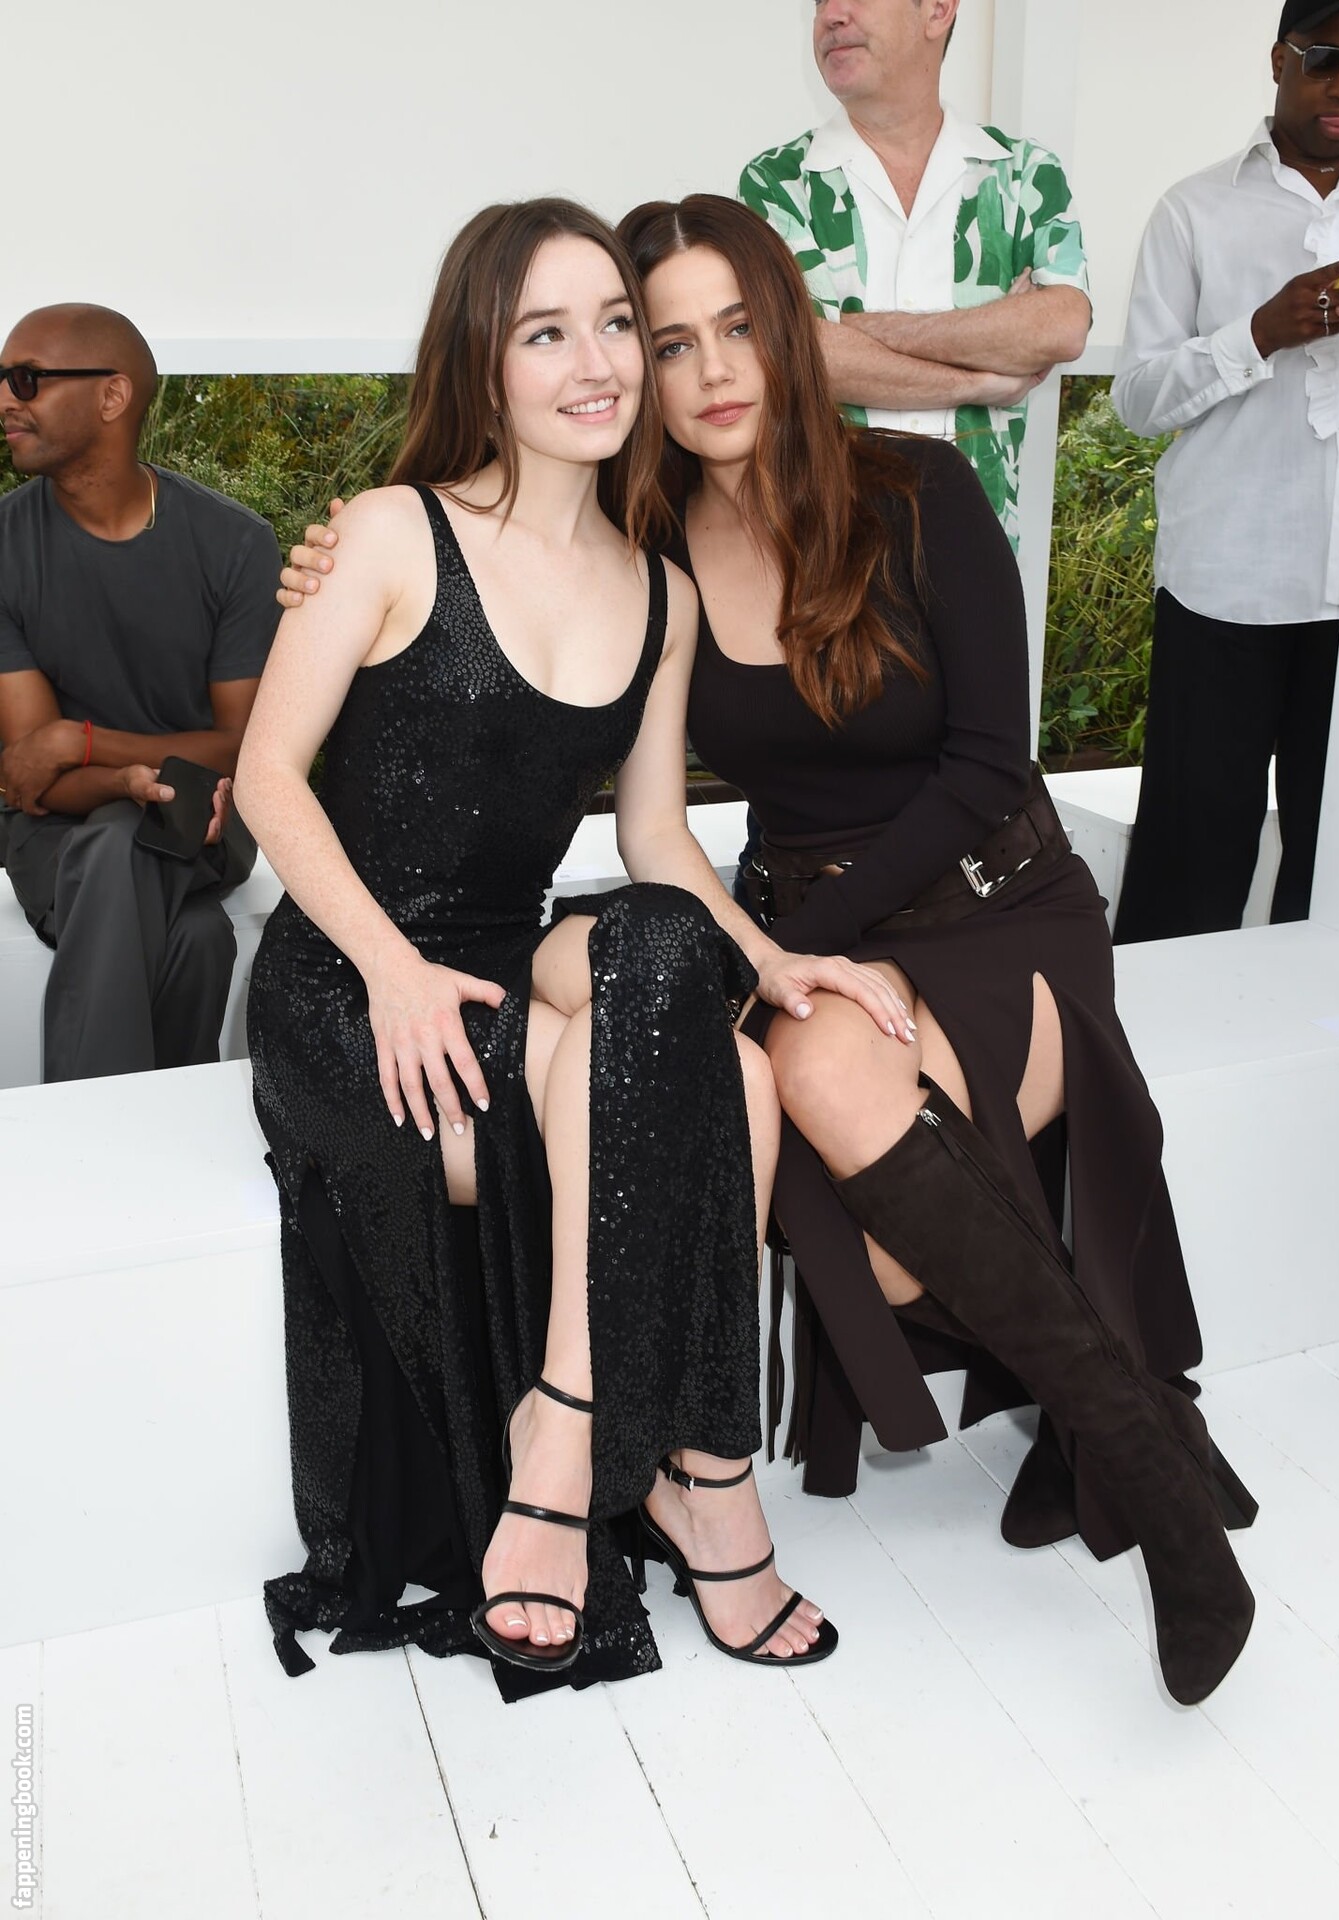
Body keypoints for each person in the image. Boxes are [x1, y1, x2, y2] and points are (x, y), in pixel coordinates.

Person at [283, 196, 1257, 1706]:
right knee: (773, 1114)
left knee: (791, 1068)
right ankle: (732, 1468)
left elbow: (986, 767)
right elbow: (625, 814)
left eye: (730, 326)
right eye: (667, 341)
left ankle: (1142, 1467)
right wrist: (775, 955)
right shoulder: (645, 546)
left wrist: (782, 956)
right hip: (781, 927)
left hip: (989, 903)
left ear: (794, 330)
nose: (703, 369)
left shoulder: (916, 493)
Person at [238, 199, 917, 1694]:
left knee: (683, 963)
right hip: (350, 978)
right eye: (547, 332)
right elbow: (268, 779)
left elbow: (659, 839)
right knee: (730, 1092)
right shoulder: (390, 531)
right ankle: (702, 1486)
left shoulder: (660, 592)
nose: (598, 362)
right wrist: (391, 971)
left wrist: (775, 963)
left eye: (616, 323)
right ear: (483, 359)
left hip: (506, 954)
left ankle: (575, 1426)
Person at [1112, 1, 1339, 943]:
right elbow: (1136, 400)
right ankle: (1154, 1029)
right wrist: (1258, 332)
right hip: (1227, 585)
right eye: (1327, 58)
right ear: (1280, 59)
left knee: (1336, 871)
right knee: (1192, 861)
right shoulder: (1194, 209)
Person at [0, 304, 278, 1081]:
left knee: (127, 840)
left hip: (201, 818)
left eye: (26, 379)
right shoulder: (5, 547)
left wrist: (80, 740)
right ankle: (149, 1137)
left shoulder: (235, 545)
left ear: (112, 396)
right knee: (196, 936)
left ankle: (83, 1131)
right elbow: (34, 782)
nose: (5, 400)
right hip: (57, 834)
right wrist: (116, 777)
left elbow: (243, 749)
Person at [738, 0, 1091, 546]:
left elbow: (1062, 326)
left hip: (984, 546)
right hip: (830, 547)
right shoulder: (776, 183)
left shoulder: (1023, 174)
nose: (832, 14)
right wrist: (982, 378)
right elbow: (800, 355)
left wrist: (858, 330)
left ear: (938, 10)